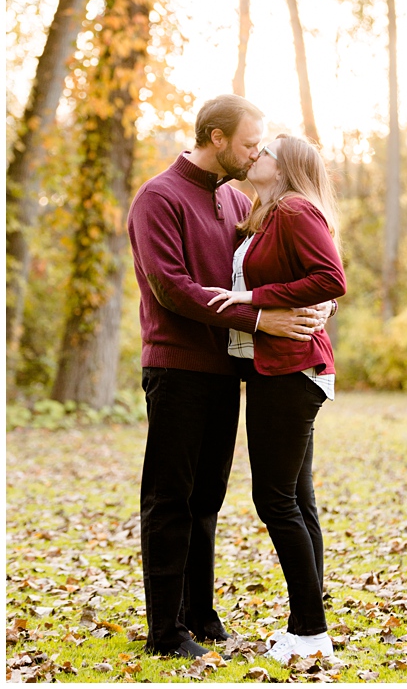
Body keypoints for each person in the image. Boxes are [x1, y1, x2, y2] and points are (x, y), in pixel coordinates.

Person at [127, 95, 328, 658]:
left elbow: (291, 266)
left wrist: (317, 310)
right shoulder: (158, 198)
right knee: (171, 498)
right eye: (246, 143)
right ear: (215, 138)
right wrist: (261, 316)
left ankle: (201, 615)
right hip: (176, 368)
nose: (255, 152)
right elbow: (174, 288)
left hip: (228, 371)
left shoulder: (237, 199)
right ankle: (166, 632)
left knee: (208, 498)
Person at [205, 135, 345, 663]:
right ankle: (310, 627)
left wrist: (253, 298)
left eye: (265, 152)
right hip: (281, 369)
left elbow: (330, 278)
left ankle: (310, 631)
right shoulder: (269, 213)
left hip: (289, 370)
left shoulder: (292, 208)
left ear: (283, 167)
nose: (256, 155)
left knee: (276, 500)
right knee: (297, 501)